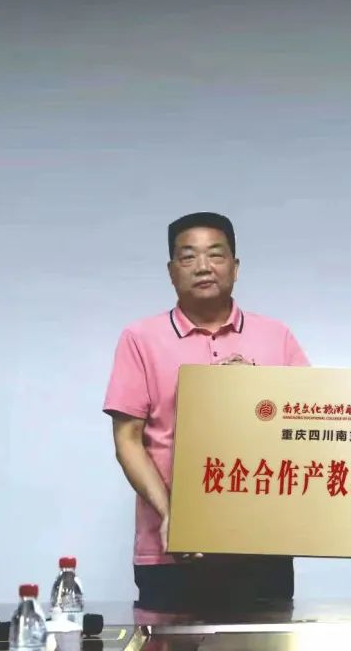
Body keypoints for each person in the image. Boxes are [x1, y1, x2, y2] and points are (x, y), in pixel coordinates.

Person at [102, 212, 310, 610]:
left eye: (215, 254)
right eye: (188, 256)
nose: (203, 267)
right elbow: (127, 440)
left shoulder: (276, 335)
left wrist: (258, 390)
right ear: (171, 271)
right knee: (171, 638)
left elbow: (308, 425)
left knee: (266, 639)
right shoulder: (140, 338)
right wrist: (173, 515)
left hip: (262, 545)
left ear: (235, 266)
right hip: (170, 551)